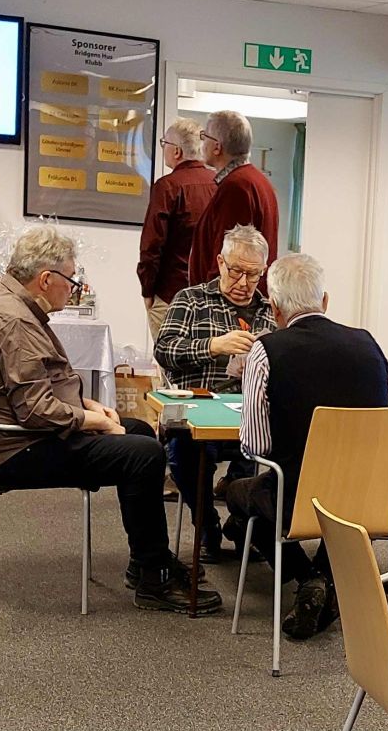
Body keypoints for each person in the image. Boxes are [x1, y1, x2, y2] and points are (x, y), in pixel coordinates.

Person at [0, 226, 221, 614]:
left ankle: (147, 559)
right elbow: (35, 411)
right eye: (70, 279)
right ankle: (152, 578)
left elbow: (35, 387)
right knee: (142, 454)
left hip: (16, 435)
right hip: (15, 450)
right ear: (46, 279)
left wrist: (88, 406)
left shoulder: (5, 299)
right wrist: (96, 422)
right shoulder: (15, 322)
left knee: (140, 432)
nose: (73, 288)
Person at [223, 253, 388, 640]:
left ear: (275, 308)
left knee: (238, 494)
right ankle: (326, 584)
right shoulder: (370, 344)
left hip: (298, 499)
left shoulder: (267, 350)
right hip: (368, 498)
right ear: (325, 301)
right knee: (323, 504)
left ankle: (308, 577)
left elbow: (255, 446)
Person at [154, 224, 276, 562]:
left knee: (271, 449)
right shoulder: (191, 300)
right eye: (236, 271)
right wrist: (212, 346)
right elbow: (164, 350)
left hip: (252, 415)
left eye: (253, 275)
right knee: (184, 451)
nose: (244, 283)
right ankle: (207, 522)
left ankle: (241, 518)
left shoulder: (270, 310)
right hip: (201, 410)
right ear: (220, 262)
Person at [137, 118, 216, 341]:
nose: (164, 148)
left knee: (170, 357)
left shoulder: (167, 187)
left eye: (164, 143)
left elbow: (152, 246)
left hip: (170, 295)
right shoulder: (220, 184)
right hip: (210, 299)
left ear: (177, 151)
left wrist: (147, 290)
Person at [188, 110, 278, 291]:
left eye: (204, 136)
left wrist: (210, 300)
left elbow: (229, 257)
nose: (202, 142)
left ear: (217, 147)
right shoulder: (256, 181)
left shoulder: (236, 187)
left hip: (227, 301)